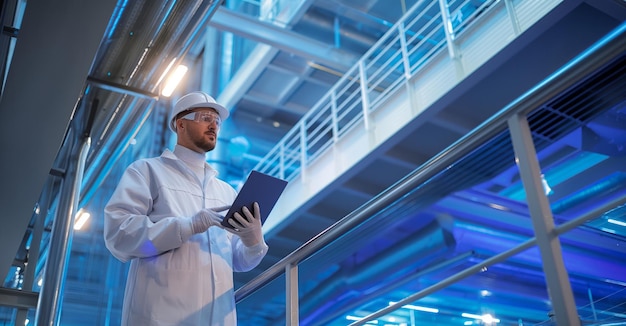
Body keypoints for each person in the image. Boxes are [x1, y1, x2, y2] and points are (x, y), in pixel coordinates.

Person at [104, 91, 268, 325]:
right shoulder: (147, 172)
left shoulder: (225, 192)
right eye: (205, 118)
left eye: (217, 121)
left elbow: (238, 262)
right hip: (161, 317)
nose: (213, 125)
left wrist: (253, 242)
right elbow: (118, 235)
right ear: (181, 124)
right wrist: (188, 226)